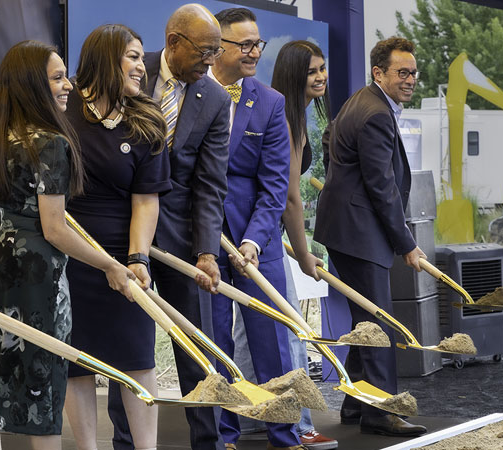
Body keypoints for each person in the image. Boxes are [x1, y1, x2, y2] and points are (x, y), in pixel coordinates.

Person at [0, 40, 137, 450]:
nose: (69, 86)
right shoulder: (49, 142)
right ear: (33, 84)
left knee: (0, 377)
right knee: (42, 385)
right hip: (37, 275)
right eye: (58, 77)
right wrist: (111, 266)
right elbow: (56, 230)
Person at [109, 4, 231, 450]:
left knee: (197, 348)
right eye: (204, 51)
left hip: (182, 239)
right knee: (127, 346)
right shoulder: (129, 76)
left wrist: (206, 252)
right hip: (123, 236)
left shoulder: (215, 99)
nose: (211, 62)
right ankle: (127, 443)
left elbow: (210, 183)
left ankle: (209, 443)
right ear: (174, 42)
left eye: (216, 52)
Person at [62, 24, 171, 450]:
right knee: (77, 363)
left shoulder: (146, 120)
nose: (142, 66)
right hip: (69, 255)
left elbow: (146, 202)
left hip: (124, 259)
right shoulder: (63, 103)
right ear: (105, 58)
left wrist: (138, 259)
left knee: (139, 360)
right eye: (132, 56)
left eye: (142, 57)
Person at [313, 36, 428, 437]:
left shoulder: (362, 100)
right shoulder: (376, 112)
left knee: (367, 317)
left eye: (413, 72)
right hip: (360, 232)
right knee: (379, 320)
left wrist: (339, 183)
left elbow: (330, 140)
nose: (410, 79)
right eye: (402, 72)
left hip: (348, 229)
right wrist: (407, 243)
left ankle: (355, 402)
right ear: (379, 72)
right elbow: (382, 187)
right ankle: (379, 411)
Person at [207, 8, 299, 450]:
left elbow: (274, 185)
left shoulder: (269, 102)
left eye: (257, 44)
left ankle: (284, 433)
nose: (253, 53)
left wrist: (253, 241)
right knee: (214, 344)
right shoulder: (190, 93)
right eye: (243, 44)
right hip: (203, 245)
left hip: (255, 244)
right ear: (217, 47)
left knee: (272, 347)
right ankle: (222, 437)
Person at [270, 40, 338, 450]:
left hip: (262, 233)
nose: (321, 77)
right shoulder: (288, 116)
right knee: (290, 330)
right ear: (295, 73)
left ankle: (257, 417)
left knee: (253, 329)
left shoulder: (292, 111)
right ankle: (298, 425)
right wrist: (304, 252)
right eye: (313, 71)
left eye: (323, 69)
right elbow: (289, 196)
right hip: (262, 236)